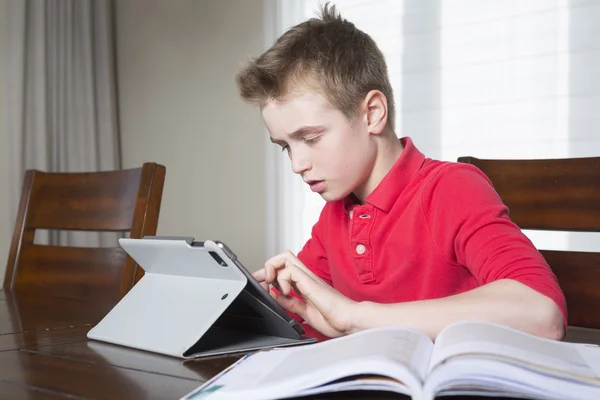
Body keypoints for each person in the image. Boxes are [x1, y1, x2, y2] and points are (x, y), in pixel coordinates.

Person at [235, 3, 566, 341]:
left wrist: (356, 316)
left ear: (372, 114)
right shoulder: (335, 216)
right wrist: (249, 301)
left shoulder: (452, 189)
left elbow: (543, 314)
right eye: (285, 146)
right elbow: (303, 323)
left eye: (311, 138)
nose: (296, 164)